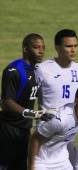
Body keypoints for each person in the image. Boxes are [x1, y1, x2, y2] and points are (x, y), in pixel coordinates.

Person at [0, 33, 48, 170]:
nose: (41, 51)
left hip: (25, 130)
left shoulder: (38, 71)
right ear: (25, 49)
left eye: (43, 47)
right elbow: (7, 102)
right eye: (36, 47)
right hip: (8, 130)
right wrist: (33, 114)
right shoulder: (13, 71)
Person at [28, 84, 78, 170]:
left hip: (62, 161)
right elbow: (35, 138)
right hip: (43, 162)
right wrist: (31, 166)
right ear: (77, 100)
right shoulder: (60, 120)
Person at [35, 29, 78, 110]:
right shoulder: (42, 69)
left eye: (75, 45)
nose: (73, 50)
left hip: (71, 122)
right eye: (69, 46)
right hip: (48, 122)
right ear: (58, 48)